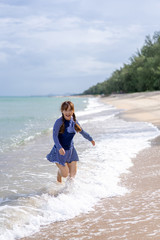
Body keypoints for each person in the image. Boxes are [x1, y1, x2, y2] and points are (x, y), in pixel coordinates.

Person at [46, 101, 95, 183]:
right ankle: (59, 174)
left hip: (71, 152)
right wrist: (59, 147)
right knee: (65, 174)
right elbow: (54, 136)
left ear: (73, 111)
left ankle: (68, 193)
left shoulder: (74, 122)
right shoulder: (59, 122)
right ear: (62, 111)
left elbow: (82, 132)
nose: (68, 112)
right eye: (65, 110)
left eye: (70, 110)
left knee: (72, 176)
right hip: (60, 152)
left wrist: (91, 139)